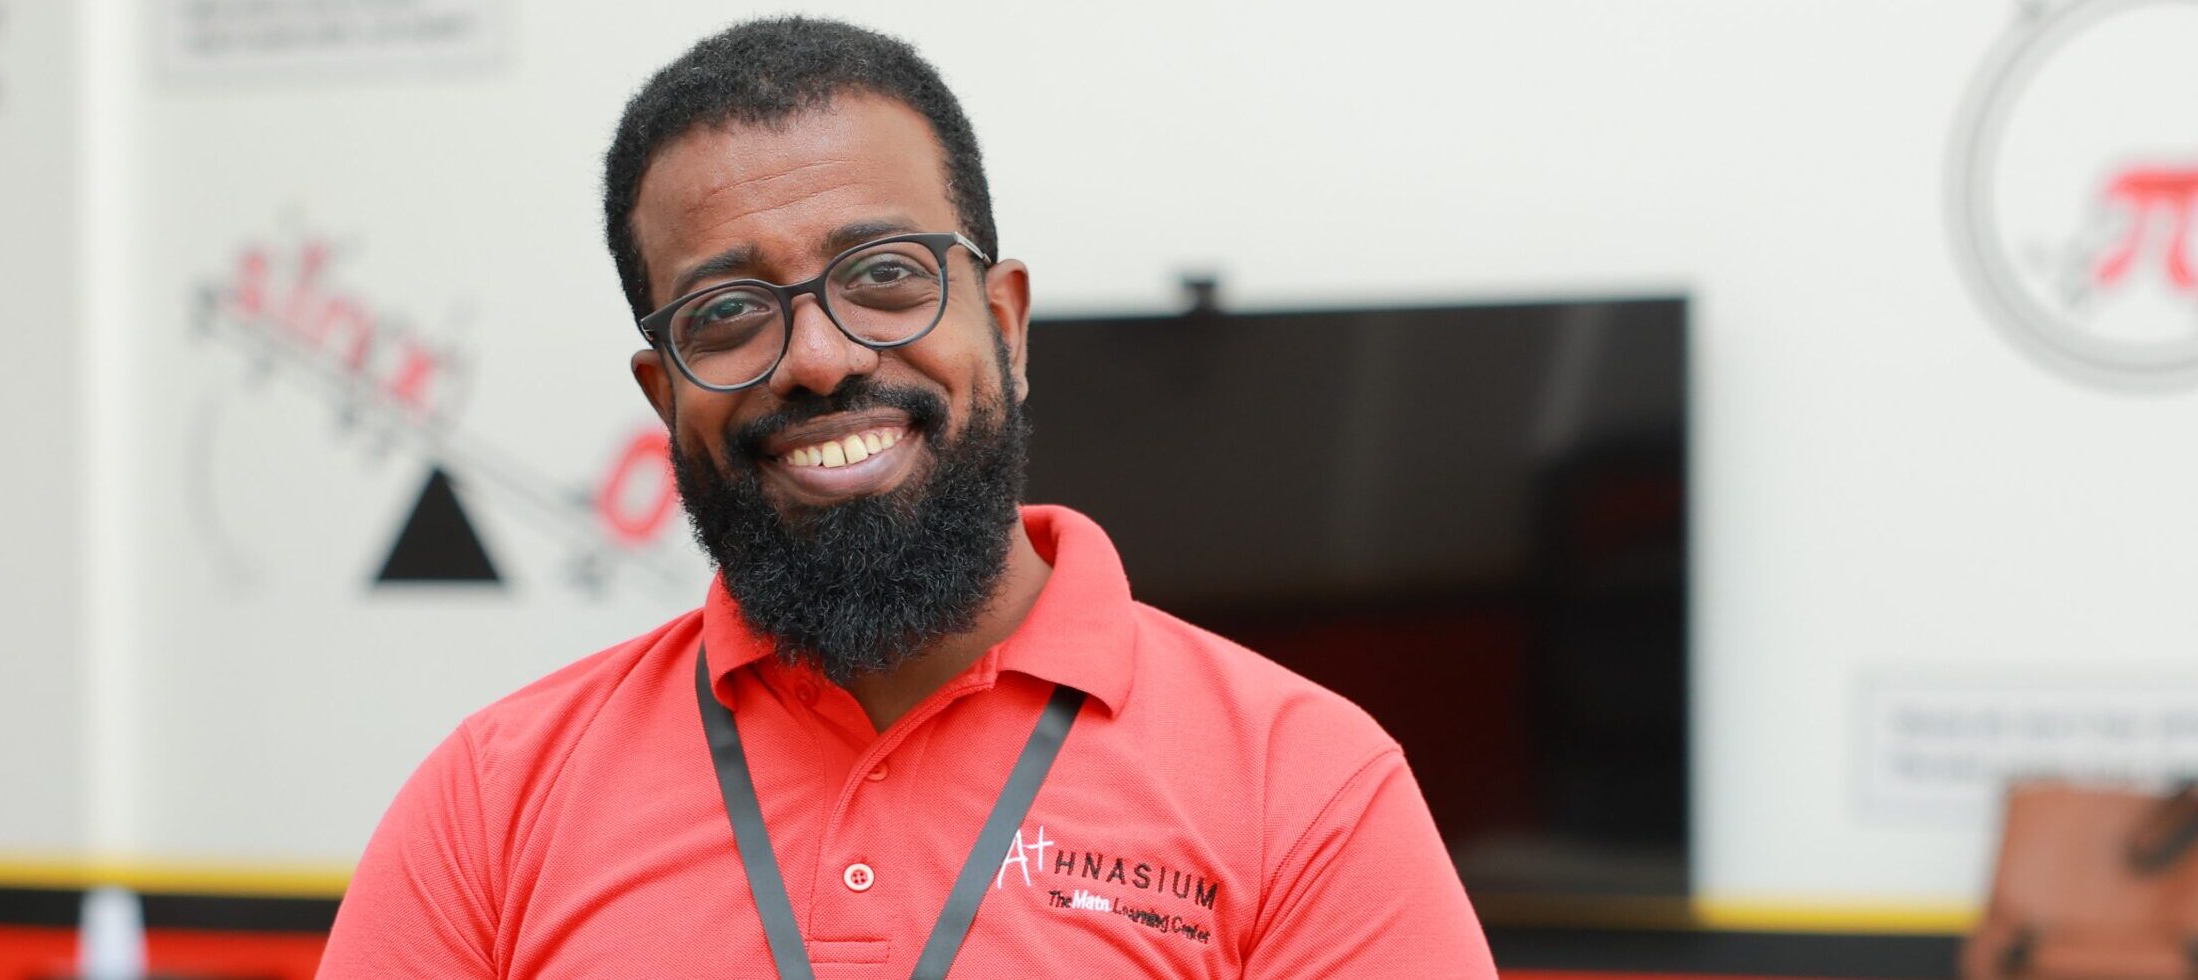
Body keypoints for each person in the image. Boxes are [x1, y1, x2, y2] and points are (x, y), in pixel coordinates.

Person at [318, 17, 1495, 978]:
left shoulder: (1304, 787)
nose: (819, 357)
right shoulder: (491, 800)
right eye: (726, 312)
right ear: (663, 391)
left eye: (884, 277)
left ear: (1008, 322)